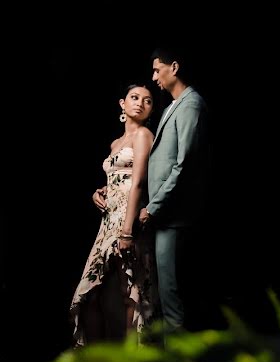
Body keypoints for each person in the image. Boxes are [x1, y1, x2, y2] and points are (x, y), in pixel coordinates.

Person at [70, 84, 157, 346]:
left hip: (127, 221)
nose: (140, 103)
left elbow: (140, 182)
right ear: (122, 103)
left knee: (129, 292)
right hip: (107, 222)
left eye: (148, 100)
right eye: (134, 97)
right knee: (90, 295)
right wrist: (99, 191)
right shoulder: (116, 143)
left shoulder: (143, 135)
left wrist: (128, 230)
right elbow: (119, 177)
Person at [139, 46, 210, 334]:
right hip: (164, 218)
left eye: (157, 69)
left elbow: (184, 165)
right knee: (164, 297)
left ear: (175, 67)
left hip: (174, 218)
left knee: (173, 300)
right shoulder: (172, 106)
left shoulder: (191, 104)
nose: (154, 76)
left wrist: (154, 208)